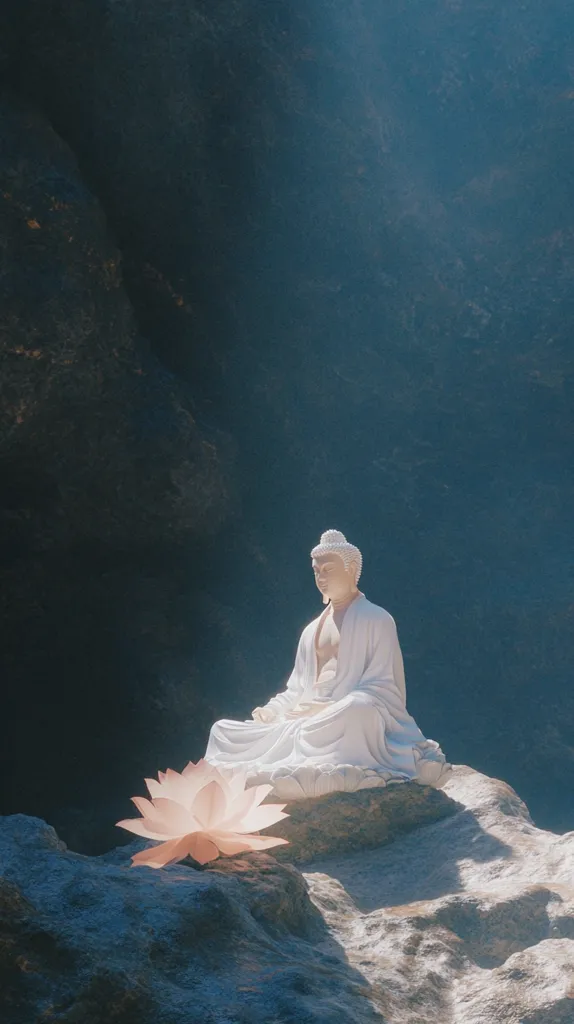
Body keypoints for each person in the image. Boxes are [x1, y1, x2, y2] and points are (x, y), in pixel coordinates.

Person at [205, 530, 451, 799]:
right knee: (222, 731)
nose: (321, 577)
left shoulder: (377, 619)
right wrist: (273, 710)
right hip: (301, 720)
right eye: (316, 571)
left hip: (343, 715)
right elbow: (296, 687)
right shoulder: (311, 630)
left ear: (352, 569)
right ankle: (291, 757)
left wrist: (331, 706)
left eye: (329, 569)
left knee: (359, 709)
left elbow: (385, 689)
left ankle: (308, 760)